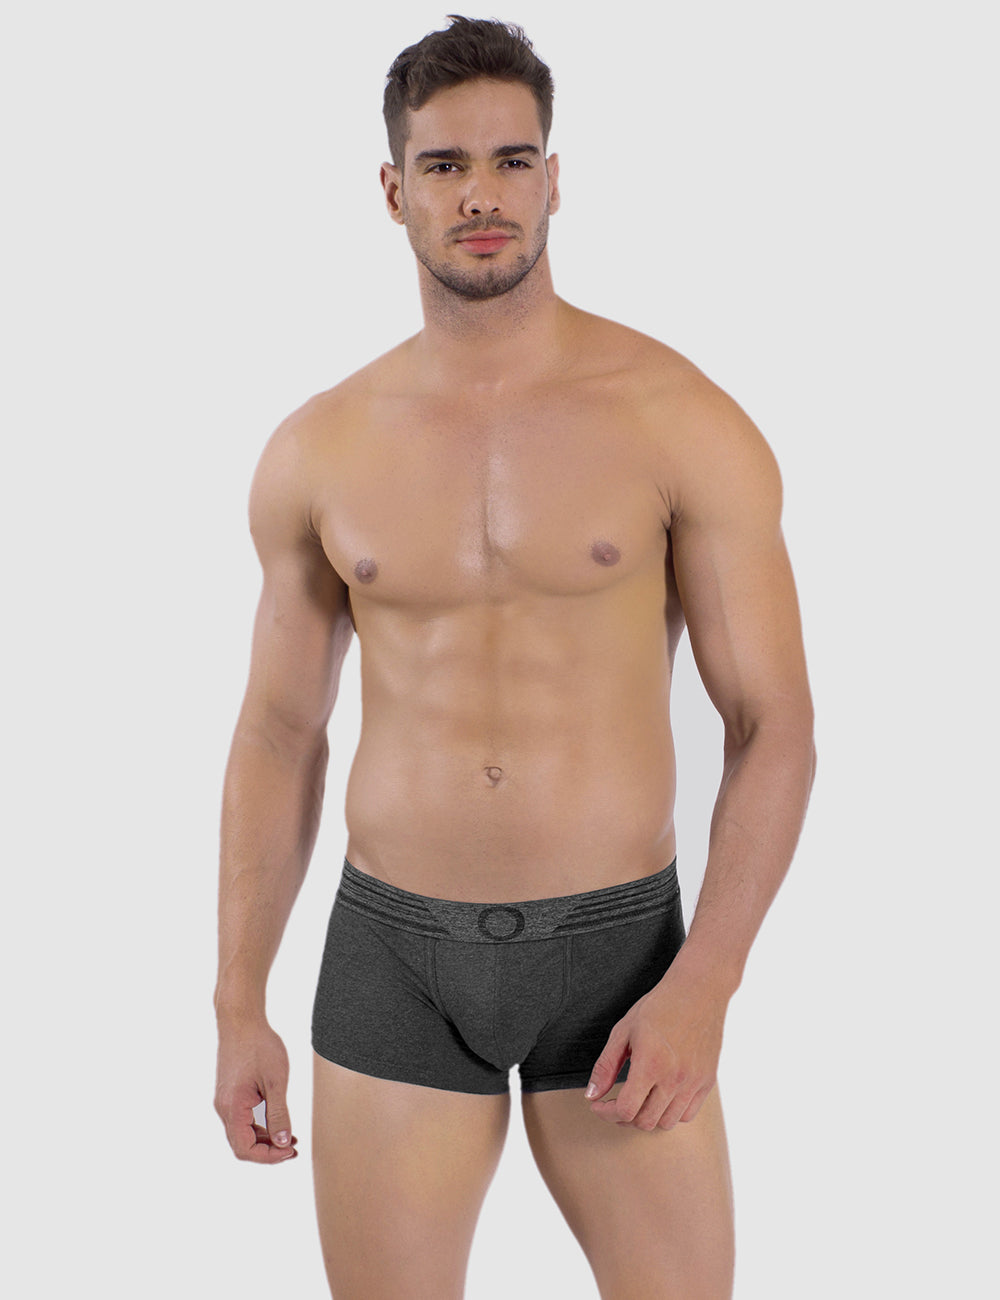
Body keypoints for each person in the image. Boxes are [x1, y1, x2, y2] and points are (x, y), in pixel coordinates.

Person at [213, 15, 816, 1298]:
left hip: (620, 957)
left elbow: (772, 723)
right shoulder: (320, 446)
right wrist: (235, 999)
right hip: (390, 953)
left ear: (554, 179)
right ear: (394, 191)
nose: (480, 195)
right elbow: (278, 731)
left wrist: (705, 984)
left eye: (510, 160)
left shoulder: (677, 418)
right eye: (444, 166)